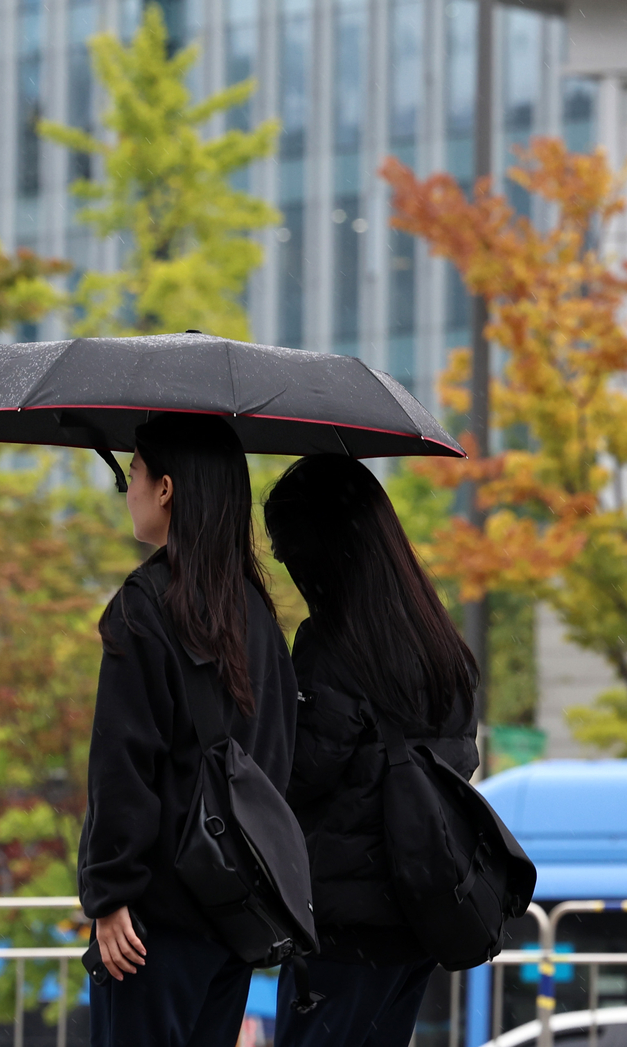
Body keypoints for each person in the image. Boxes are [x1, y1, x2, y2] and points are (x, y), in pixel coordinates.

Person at [78, 412, 300, 1047]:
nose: (131, 490)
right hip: (232, 911)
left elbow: (122, 762)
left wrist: (111, 891)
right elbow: (276, 757)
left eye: (136, 473)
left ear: (167, 489)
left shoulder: (144, 606)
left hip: (150, 924)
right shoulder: (257, 613)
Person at [262, 453, 481, 1047]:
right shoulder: (442, 645)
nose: (286, 565)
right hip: (420, 913)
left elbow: (297, 773)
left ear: (321, 549)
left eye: (286, 548)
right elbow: (459, 765)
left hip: (345, 925)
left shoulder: (331, 648)